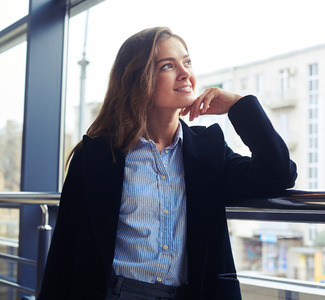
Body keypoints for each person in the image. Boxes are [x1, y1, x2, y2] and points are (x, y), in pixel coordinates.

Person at [38, 27, 297, 300]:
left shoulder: (208, 151)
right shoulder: (97, 156)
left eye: (187, 62)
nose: (185, 73)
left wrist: (239, 105)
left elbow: (278, 174)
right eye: (167, 66)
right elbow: (64, 252)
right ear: (139, 79)